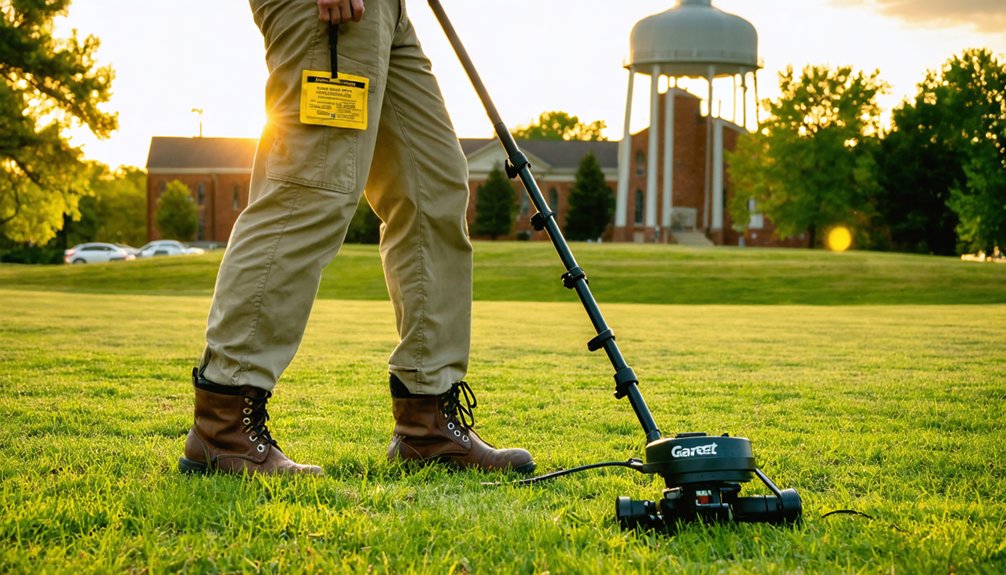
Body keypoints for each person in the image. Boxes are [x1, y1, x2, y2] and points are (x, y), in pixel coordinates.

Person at [178, 0, 534, 476]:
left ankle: (427, 422)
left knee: (433, 190)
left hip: (392, 12)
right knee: (311, 188)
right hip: (330, 11)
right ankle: (222, 426)